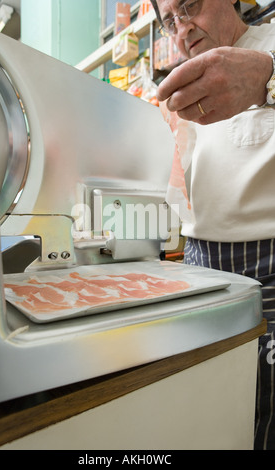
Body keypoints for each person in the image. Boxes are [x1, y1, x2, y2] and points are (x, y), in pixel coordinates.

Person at [150, 0, 275, 450]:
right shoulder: (182, 87)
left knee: (266, 413)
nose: (182, 28)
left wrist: (267, 78)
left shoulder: (270, 46)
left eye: (190, 6)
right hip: (203, 269)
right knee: (216, 408)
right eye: (169, 20)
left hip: (269, 266)